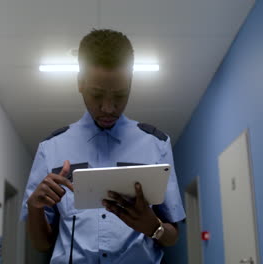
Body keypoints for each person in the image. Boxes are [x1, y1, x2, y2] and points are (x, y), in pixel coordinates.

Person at [20, 29, 185, 264]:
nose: (108, 108)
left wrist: (153, 227)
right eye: (97, 95)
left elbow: (172, 236)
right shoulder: (51, 148)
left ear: (130, 84)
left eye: (120, 95)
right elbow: (41, 244)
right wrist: (35, 207)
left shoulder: (156, 144)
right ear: (79, 83)